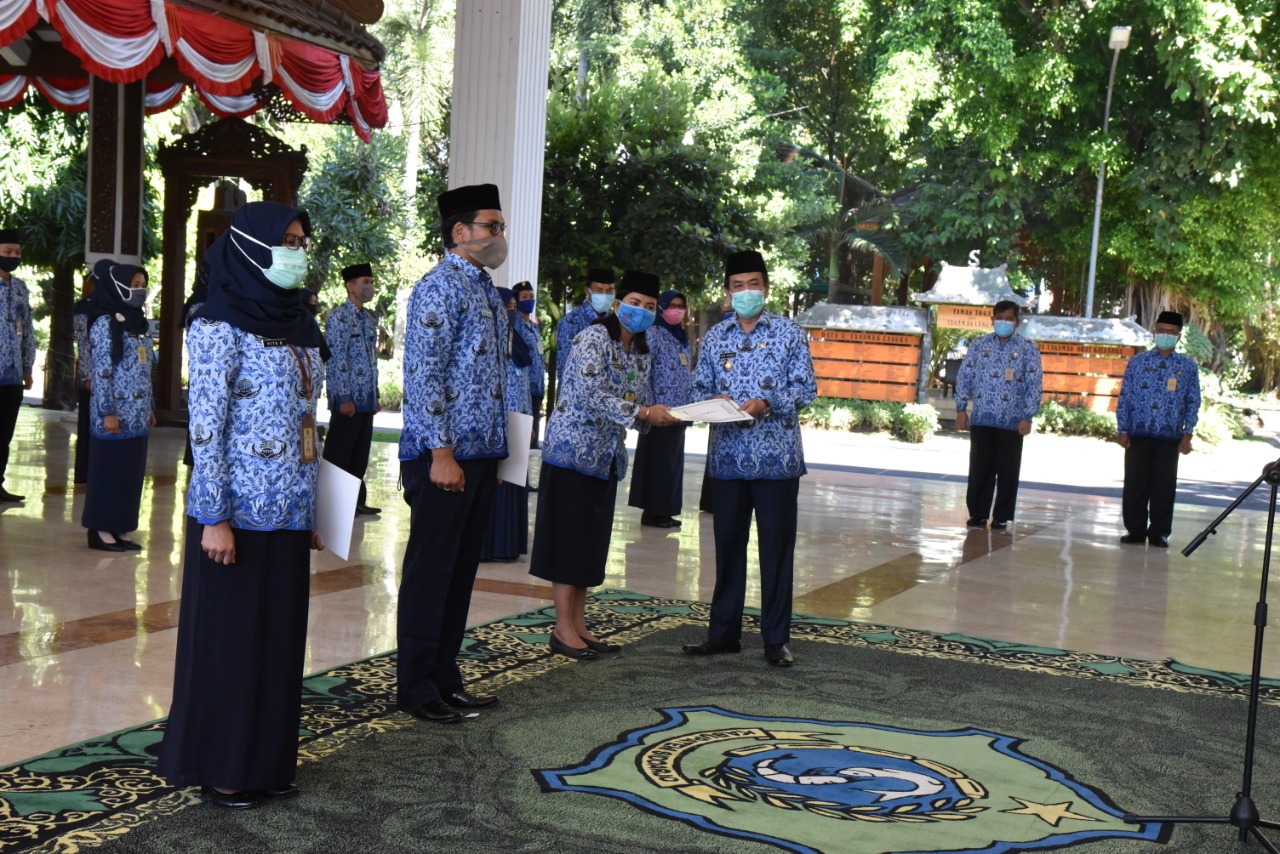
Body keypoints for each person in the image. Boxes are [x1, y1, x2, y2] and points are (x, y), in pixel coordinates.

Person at [157, 201, 326, 810]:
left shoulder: (301, 325)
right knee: (231, 644)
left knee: (279, 641)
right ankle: (223, 768)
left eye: (301, 241)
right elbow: (205, 428)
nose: (295, 251)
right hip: (235, 517)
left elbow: (310, 421)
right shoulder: (215, 324)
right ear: (251, 246)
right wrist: (214, 517)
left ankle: (266, 762)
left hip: (290, 513)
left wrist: (314, 510)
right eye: (284, 240)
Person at [397, 183, 510, 724]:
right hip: (445, 456)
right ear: (460, 232)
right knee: (431, 572)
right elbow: (423, 376)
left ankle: (446, 676)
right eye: (491, 226)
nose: (498, 236)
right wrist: (440, 452)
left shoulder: (486, 289)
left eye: (500, 227)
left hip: (481, 453)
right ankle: (416, 686)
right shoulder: (439, 288)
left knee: (461, 571)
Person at [531, 270, 678, 660]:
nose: (641, 312)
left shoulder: (640, 350)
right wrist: (644, 411)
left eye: (649, 307)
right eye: (634, 304)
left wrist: (659, 413)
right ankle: (562, 629)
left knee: (589, 544)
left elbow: (639, 398)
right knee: (568, 543)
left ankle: (578, 624)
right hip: (573, 454)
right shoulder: (594, 337)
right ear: (618, 304)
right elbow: (591, 393)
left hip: (606, 458)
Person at [683, 251, 817, 667]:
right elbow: (696, 389)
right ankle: (723, 633)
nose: (746, 292)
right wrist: (712, 400)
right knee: (727, 547)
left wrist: (768, 402)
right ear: (727, 291)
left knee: (775, 550)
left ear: (766, 288)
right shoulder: (716, 337)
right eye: (737, 286)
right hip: (726, 460)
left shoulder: (790, 333)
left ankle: (776, 639)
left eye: (753, 284)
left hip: (776, 461)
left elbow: (806, 388)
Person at [80, 260, 155, 551]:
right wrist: (107, 411)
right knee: (108, 472)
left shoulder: (139, 324)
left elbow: (145, 369)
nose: (139, 290)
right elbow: (102, 373)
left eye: (141, 285)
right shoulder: (103, 324)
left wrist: (149, 407)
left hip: (137, 415)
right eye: (133, 285)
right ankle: (99, 530)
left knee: (130, 473)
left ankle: (121, 526)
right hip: (113, 414)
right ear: (117, 287)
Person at [954, 300, 1043, 531]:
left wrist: (1028, 415)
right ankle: (978, 514)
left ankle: (1002, 516)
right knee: (980, 468)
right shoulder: (978, 345)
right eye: (1000, 317)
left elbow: (1034, 384)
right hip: (982, 417)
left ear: (1017, 322)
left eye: (1009, 318)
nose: (1004, 322)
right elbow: (964, 376)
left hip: (1012, 421)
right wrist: (961, 408)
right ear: (992, 319)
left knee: (1007, 470)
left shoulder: (1028, 348)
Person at [1116, 311, 1201, 548]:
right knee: (1135, 483)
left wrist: (1188, 434)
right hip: (1138, 432)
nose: (1165, 335)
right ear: (1154, 331)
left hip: (1169, 435)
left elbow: (1193, 401)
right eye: (1161, 330)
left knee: (1164, 485)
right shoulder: (1138, 362)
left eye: (1170, 332)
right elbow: (1125, 397)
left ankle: (1159, 532)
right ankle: (1135, 530)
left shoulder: (1187, 366)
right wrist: (1122, 428)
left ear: (1178, 336)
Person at [628, 289, 693, 528]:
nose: (678, 310)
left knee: (671, 463)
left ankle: (664, 510)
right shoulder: (654, 333)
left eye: (681, 305)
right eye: (672, 305)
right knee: (658, 461)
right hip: (660, 409)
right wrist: (649, 406)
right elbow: (644, 371)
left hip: (680, 409)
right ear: (662, 308)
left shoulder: (680, 335)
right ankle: (653, 511)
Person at [323, 262, 381, 516]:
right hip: (347, 400)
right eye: (365, 282)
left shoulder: (369, 319)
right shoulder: (339, 318)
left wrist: (375, 394)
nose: (369, 286)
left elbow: (372, 360)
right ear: (350, 286)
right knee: (339, 453)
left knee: (359, 454)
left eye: (371, 281)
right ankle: (332, 504)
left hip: (366, 399)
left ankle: (355, 501)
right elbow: (336, 359)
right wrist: (343, 396)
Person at [480, 286, 532, 562]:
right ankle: (490, 546)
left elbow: (523, 380)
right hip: (498, 420)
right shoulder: (489, 339)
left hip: (519, 419)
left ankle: (509, 545)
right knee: (498, 484)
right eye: (507, 305)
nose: (511, 310)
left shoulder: (516, 338)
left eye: (514, 305)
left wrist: (527, 416)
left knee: (514, 484)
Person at [0, 227, 34, 503]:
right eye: (7, 252)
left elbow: (29, 331)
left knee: (4, 434)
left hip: (12, 376)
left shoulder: (20, 287)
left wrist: (27, 367)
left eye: (17, 253)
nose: (13, 257)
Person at [555, 267, 615, 386]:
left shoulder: (614, 322)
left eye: (609, 291)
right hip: (577, 396)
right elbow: (564, 367)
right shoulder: (571, 321)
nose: (605, 295)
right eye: (599, 290)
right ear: (587, 292)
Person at [512, 281, 546, 449]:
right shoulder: (515, 325)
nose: (529, 300)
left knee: (534, 433)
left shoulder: (533, 326)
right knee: (526, 438)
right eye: (524, 297)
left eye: (531, 297)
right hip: (524, 388)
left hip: (537, 387)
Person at [72, 274, 95, 485]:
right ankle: (84, 474)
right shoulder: (83, 309)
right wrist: (88, 376)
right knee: (87, 428)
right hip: (92, 380)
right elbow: (84, 345)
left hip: (107, 381)